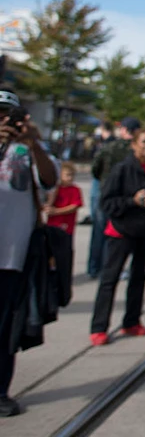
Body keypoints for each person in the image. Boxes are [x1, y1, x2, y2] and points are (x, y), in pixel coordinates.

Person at [0, 90, 57, 417]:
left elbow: (49, 181)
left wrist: (34, 144)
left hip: (15, 255)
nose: (5, 121)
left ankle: (1, 390)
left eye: (11, 115)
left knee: (6, 328)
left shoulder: (27, 149)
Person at [89, 129, 145, 346]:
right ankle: (99, 327)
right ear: (133, 145)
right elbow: (106, 203)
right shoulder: (122, 169)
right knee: (110, 279)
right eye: (144, 141)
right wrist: (132, 201)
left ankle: (132, 321)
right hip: (121, 231)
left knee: (138, 277)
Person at [89, 117, 140, 278]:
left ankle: (94, 267)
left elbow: (95, 169)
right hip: (122, 197)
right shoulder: (135, 151)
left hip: (103, 192)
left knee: (99, 231)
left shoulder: (109, 147)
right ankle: (110, 267)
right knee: (116, 233)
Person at [45, 162, 84, 237]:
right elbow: (48, 203)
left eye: (72, 175)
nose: (70, 178)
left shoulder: (75, 190)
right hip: (53, 225)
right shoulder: (55, 189)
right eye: (68, 175)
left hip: (67, 226)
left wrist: (56, 211)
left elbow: (74, 206)